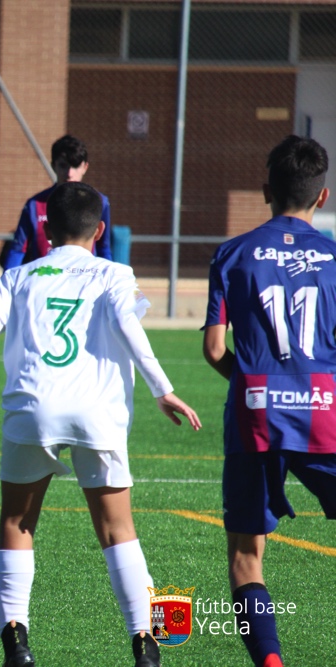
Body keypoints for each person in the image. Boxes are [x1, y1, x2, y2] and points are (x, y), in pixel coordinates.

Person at [0, 181, 202, 667]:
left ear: (45, 227)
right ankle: (146, 643)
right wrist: (162, 389)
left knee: (17, 522)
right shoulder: (114, 273)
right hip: (97, 413)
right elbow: (131, 328)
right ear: (100, 229)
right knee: (117, 530)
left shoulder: (18, 276)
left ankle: (16, 640)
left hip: (33, 408)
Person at [202, 135, 336, 667]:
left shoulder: (232, 254)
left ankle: (271, 662)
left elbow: (215, 349)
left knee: (245, 555)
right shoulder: (333, 257)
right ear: (321, 197)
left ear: (265, 191)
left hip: (255, 412)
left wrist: (254, 384)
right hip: (324, 412)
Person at [0, 135, 112, 270]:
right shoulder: (35, 204)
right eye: (63, 166)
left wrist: (110, 278)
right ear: (53, 166)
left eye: (75, 166)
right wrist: (8, 282)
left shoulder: (99, 202)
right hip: (44, 278)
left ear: (85, 167)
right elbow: (18, 249)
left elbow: (104, 248)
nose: (69, 173)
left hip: (83, 281)